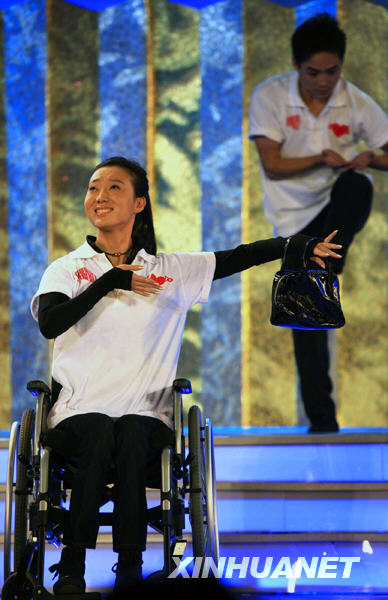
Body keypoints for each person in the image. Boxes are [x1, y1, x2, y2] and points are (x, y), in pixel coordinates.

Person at [30, 156, 341, 596]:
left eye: (114, 188)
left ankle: (131, 571)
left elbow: (240, 256)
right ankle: (72, 568)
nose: (100, 196)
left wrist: (298, 246)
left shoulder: (170, 270)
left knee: (135, 431)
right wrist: (109, 282)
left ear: (139, 203)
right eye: (93, 187)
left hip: (147, 417)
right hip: (77, 417)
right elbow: (51, 323)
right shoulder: (67, 269)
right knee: (100, 429)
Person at [248, 13, 388, 433]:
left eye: (332, 72)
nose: (324, 81)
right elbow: (272, 166)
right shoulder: (270, 96)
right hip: (292, 222)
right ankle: (323, 423)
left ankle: (326, 262)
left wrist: (371, 157)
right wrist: (322, 156)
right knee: (304, 319)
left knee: (357, 185)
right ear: (296, 66)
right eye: (314, 72)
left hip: (332, 212)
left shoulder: (356, 100)